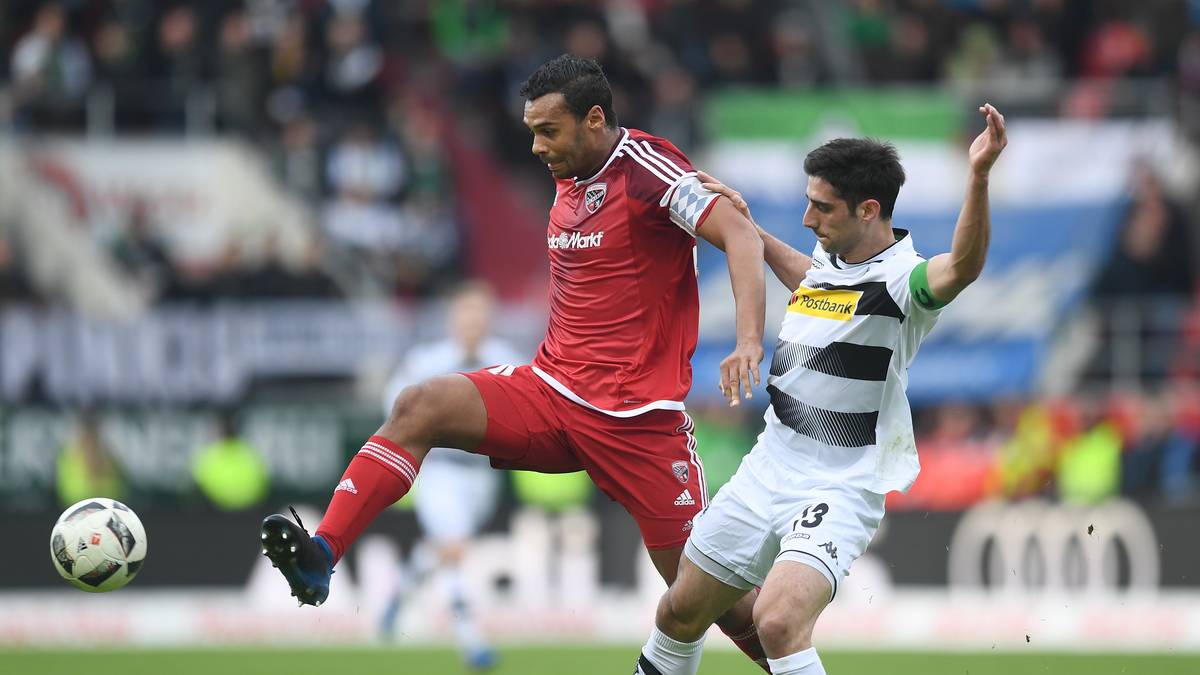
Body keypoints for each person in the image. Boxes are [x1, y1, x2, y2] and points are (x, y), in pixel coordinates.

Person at [259, 54, 771, 665]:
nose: (536, 147)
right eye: (531, 131)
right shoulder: (569, 171)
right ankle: (321, 555)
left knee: (704, 603)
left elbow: (739, 233)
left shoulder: (646, 170)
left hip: (637, 422)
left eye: (548, 131)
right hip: (551, 392)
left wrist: (748, 340)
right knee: (419, 405)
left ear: (595, 119)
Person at [632, 104, 1008, 675]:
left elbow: (963, 266)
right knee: (679, 611)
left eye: (822, 207)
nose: (808, 219)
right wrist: (746, 226)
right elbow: (809, 281)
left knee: (778, 622)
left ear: (869, 209)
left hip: (840, 483)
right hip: (769, 465)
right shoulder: (831, 263)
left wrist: (977, 176)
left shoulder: (901, 281)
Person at [376, 281, 521, 671]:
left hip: (483, 475)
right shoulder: (427, 362)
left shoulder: (507, 360)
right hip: (440, 472)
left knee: (443, 548)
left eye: (480, 312)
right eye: (466, 312)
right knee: (454, 549)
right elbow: (394, 407)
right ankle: (471, 641)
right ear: (452, 318)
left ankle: (399, 593)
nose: (474, 321)